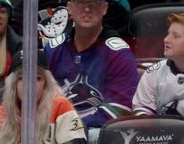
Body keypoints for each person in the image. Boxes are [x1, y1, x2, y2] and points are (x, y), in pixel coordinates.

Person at [0, 49, 87, 144]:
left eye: (37, 78)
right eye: (21, 78)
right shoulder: (0, 113)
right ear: (13, 84)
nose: (29, 84)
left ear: (46, 83)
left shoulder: (61, 107)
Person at [44, 0, 138, 130]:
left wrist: (74, 128)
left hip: (98, 133)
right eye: (81, 3)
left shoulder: (119, 54)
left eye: (94, 3)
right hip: (55, 128)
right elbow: (39, 97)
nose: (87, 9)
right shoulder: (53, 49)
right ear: (69, 8)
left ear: (105, 8)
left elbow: (120, 109)